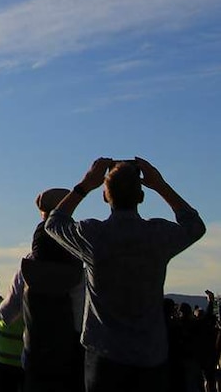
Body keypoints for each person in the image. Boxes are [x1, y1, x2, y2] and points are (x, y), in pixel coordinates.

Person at [46, 157, 206, 392]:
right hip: (150, 355)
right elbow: (194, 226)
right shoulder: (157, 235)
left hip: (104, 353)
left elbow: (54, 223)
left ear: (105, 196)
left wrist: (85, 184)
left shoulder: (93, 235)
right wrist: (161, 185)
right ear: (141, 197)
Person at [19, 187, 85, 392]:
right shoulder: (78, 275)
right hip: (69, 358)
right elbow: (80, 316)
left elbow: (6, 311)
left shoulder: (27, 269)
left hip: (34, 354)